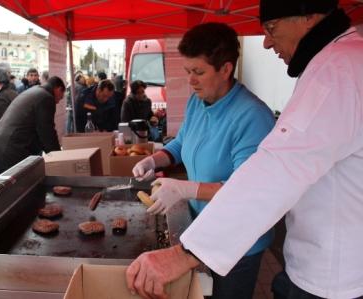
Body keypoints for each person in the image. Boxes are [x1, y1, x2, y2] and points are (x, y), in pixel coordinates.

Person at [126, 1, 363, 299]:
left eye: (271, 28)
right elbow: (183, 142)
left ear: (309, 17)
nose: (265, 41)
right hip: (308, 259)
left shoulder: (336, 71)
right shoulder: (338, 62)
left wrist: (185, 251)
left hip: (331, 272)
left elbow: (274, 173)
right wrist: (156, 158)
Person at [129, 22, 275, 299]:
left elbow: (246, 191)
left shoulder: (252, 117)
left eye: (198, 72)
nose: (191, 80)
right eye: (187, 72)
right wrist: (155, 160)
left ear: (226, 69)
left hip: (238, 241)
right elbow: (183, 143)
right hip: (202, 227)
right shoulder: (197, 101)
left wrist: (187, 189)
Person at [0, 76, 64, 181]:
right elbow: (47, 133)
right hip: (7, 154)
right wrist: (60, 161)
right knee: (12, 194)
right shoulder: (46, 97)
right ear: (58, 89)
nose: (58, 101)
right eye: (60, 97)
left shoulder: (34, 91)